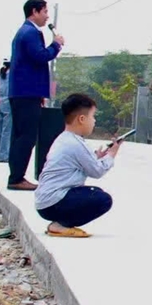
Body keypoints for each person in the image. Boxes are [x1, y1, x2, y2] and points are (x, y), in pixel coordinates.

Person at [33, 93, 118, 238]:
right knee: (103, 200)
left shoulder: (64, 138)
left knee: (95, 192)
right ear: (82, 119)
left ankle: (60, 223)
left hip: (45, 202)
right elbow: (97, 171)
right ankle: (60, 225)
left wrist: (97, 156)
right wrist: (111, 155)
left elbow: (82, 162)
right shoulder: (76, 143)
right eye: (93, 117)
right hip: (54, 202)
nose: (94, 121)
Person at [7, 0, 64, 190]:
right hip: (26, 92)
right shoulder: (31, 32)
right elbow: (40, 56)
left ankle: (16, 175)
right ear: (35, 11)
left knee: (20, 135)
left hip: (24, 92)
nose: (47, 16)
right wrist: (55, 45)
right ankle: (16, 178)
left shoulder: (24, 32)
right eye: (45, 11)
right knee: (27, 136)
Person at [0, 61, 13, 163]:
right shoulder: (11, 74)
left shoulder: (2, 74)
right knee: (7, 131)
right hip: (9, 104)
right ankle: (4, 155)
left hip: (1, 103)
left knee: (0, 130)